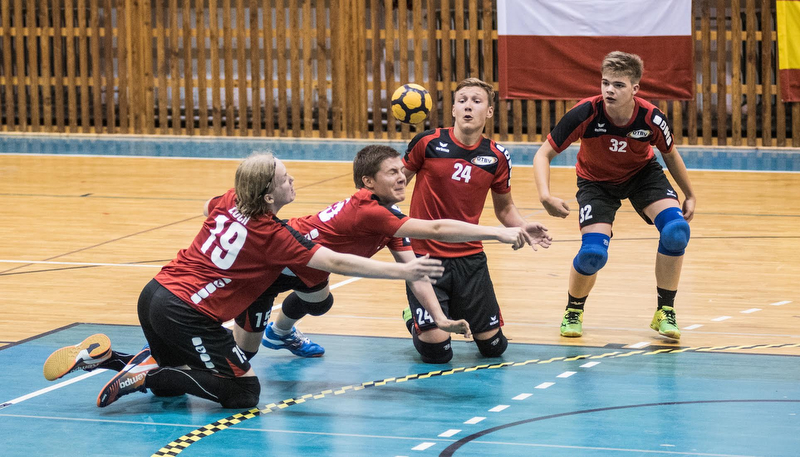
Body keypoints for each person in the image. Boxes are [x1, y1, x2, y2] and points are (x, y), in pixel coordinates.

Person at [42, 152, 444, 409]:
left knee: (175, 387)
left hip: (154, 294)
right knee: (243, 394)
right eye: (286, 179)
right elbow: (337, 261)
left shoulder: (229, 200)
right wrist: (405, 270)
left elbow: (207, 207)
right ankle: (146, 372)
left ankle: (105, 360)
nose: (293, 183)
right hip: (187, 313)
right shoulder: (273, 236)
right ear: (268, 197)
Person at [229, 145, 534, 363]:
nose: (402, 177)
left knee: (321, 303)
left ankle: (280, 332)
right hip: (270, 266)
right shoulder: (369, 211)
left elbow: (415, 272)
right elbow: (437, 229)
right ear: (368, 182)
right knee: (244, 355)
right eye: (392, 173)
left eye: (402, 171)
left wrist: (441, 319)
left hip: (311, 269)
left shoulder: (389, 216)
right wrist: (497, 232)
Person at [533, 51, 696, 340]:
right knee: (593, 253)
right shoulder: (585, 112)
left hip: (641, 175)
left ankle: (665, 311)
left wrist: (690, 194)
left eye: (618, 85)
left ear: (635, 89)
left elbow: (670, 154)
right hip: (596, 182)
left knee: (676, 231)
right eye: (605, 83)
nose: (609, 89)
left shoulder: (651, 118)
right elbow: (543, 154)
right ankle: (574, 309)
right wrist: (545, 195)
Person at [400, 77, 553, 363]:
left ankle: (447, 310)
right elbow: (397, 185)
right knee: (438, 353)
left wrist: (522, 226)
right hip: (424, 256)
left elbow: (504, 208)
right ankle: (416, 318)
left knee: (494, 348)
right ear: (454, 110)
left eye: (476, 101)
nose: (468, 106)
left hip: (470, 259)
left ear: (490, 112)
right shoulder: (427, 143)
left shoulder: (496, 156)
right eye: (462, 101)